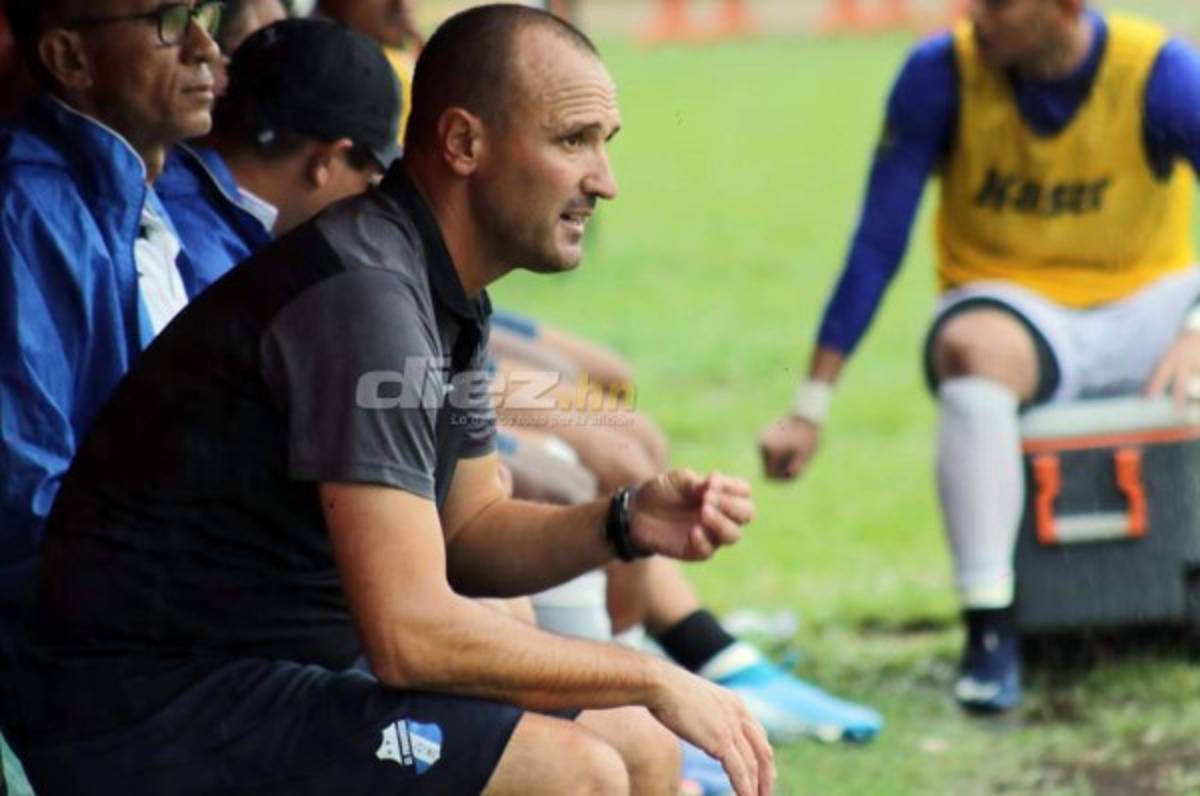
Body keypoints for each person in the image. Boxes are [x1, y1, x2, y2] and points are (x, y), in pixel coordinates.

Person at [6, 6, 774, 795]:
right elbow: (411, 636)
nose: (603, 182)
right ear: (464, 143)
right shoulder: (366, 297)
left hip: (262, 665)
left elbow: (469, 533)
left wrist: (622, 521)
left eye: (604, 146)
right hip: (148, 708)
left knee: (641, 749)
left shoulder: (440, 286)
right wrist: (647, 675)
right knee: (573, 774)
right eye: (573, 141)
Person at [759, 0, 1200, 713]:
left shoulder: (1160, 71)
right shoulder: (940, 75)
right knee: (971, 351)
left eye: (996, 3)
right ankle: (990, 627)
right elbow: (878, 242)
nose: (974, 17)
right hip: (1019, 315)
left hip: (1149, 309)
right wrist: (810, 405)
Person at [0, 0, 222, 658]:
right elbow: (25, 510)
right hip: (89, 665)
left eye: (202, 14)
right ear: (69, 58)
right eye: (169, 19)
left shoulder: (139, 193)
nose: (205, 47)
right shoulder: (26, 212)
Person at [158, 16, 399, 291]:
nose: (364, 200)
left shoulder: (162, 182)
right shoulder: (213, 267)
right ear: (325, 161)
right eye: (367, 182)